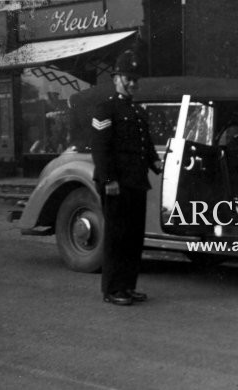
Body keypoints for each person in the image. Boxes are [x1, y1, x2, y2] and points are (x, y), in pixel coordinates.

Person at [91, 50, 161, 306]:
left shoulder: (138, 111)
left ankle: (127, 286)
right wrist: (109, 179)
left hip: (136, 182)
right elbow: (101, 148)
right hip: (116, 185)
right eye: (127, 78)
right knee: (116, 237)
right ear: (116, 78)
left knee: (133, 237)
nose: (132, 83)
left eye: (135, 79)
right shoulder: (105, 108)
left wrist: (156, 163)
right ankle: (112, 289)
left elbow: (146, 145)